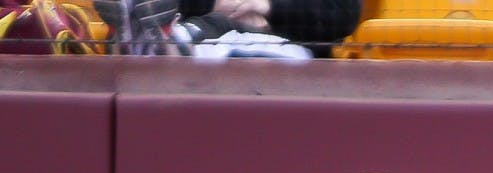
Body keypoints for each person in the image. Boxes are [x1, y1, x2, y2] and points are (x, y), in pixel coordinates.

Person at [93, 0, 361, 56]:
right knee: (214, 27)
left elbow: (342, 15)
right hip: (200, 66)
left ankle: (167, 46)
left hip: (294, 64)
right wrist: (218, 4)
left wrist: (267, 8)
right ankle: (158, 46)